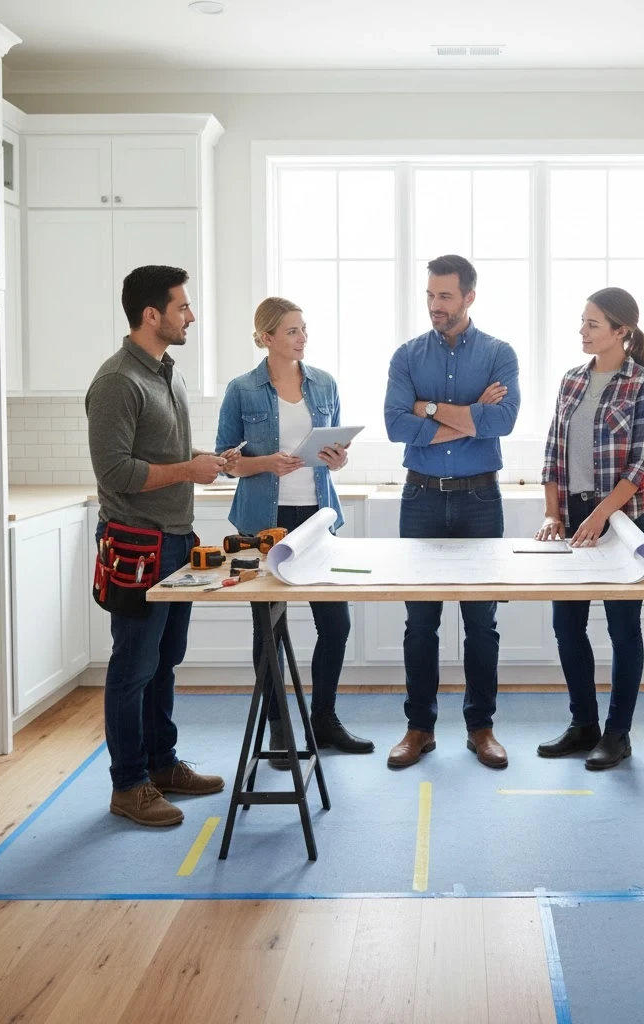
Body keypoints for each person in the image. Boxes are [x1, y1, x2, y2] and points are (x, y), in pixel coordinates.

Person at [86, 265, 237, 827]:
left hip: (174, 542)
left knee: (165, 662)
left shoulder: (166, 372)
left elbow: (164, 455)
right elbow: (116, 471)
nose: (190, 316)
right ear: (152, 315)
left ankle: (161, 764)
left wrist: (204, 465)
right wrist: (186, 471)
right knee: (133, 667)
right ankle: (129, 785)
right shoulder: (117, 381)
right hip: (136, 547)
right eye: (182, 307)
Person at [216, 297, 373, 764]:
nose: (302, 338)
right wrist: (266, 463)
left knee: (336, 624)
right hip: (265, 523)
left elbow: (337, 450)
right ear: (267, 338)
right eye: (291, 331)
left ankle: (324, 720)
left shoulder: (323, 382)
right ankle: (280, 727)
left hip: (318, 519)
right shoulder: (242, 389)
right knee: (269, 628)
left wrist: (339, 458)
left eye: (304, 329)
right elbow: (226, 461)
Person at [383, 255, 520, 769]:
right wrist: (467, 415)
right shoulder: (406, 356)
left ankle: (481, 728)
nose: (435, 306)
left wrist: (429, 408)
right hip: (420, 499)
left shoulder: (499, 354)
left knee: (481, 622)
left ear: (469, 297)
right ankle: (419, 728)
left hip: (480, 499)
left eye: (445, 296)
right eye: (430, 296)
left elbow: (503, 420)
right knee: (420, 623)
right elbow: (395, 424)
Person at [535, 287, 644, 770]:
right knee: (567, 626)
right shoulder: (571, 381)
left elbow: (642, 466)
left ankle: (617, 733)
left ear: (621, 332)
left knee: (622, 629)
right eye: (582, 322)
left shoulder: (643, 385)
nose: (583, 331)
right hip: (573, 518)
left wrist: (602, 515)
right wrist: (554, 514)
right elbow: (553, 452)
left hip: (626, 521)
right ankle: (583, 724)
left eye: (593, 324)